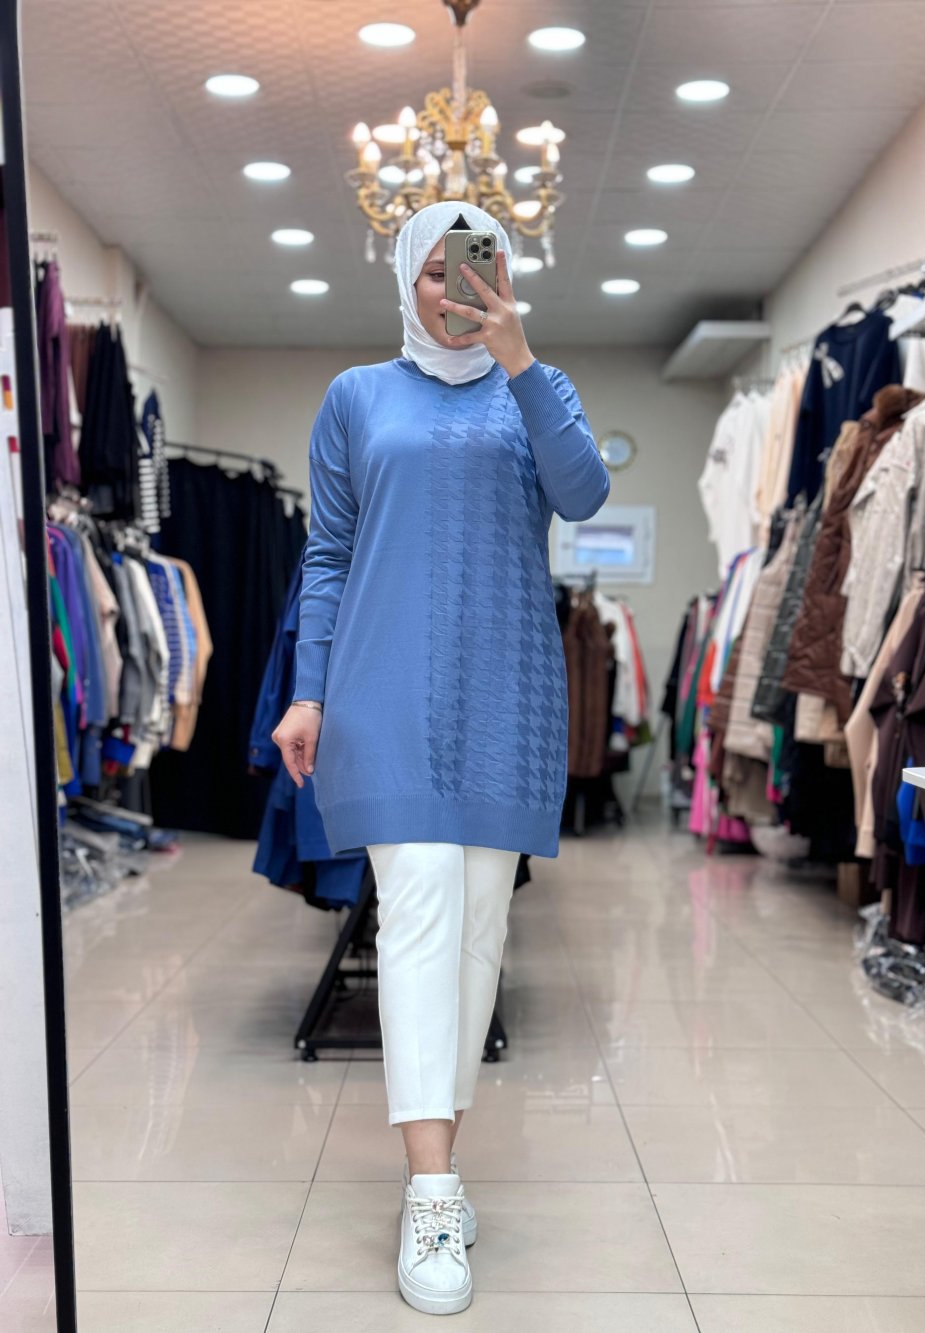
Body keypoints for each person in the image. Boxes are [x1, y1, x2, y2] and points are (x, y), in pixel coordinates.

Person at [271, 202, 609, 1315]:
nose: (461, 290)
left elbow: (583, 493)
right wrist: (308, 689)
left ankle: (441, 1169)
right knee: (417, 918)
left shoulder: (536, 387)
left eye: (483, 268)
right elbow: (328, 551)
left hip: (507, 692)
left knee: (477, 937)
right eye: (439, 273)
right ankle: (429, 1194)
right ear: (408, 281)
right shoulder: (356, 396)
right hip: (384, 689)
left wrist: (520, 359)